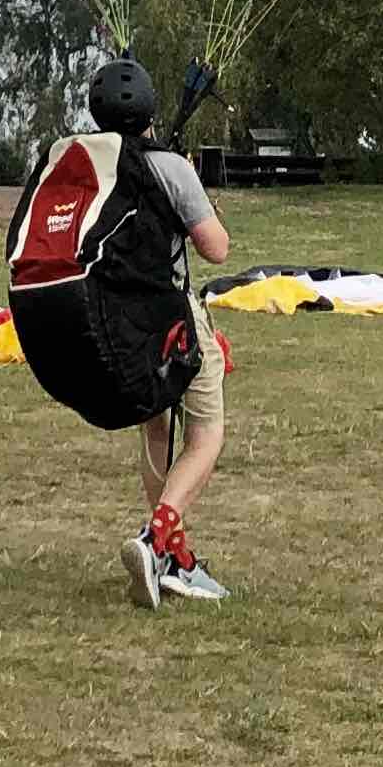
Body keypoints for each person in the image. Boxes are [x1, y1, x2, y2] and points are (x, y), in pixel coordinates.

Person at [83, 59, 234, 608]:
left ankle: (172, 557)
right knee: (205, 435)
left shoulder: (93, 165)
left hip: (122, 323)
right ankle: (157, 537)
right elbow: (216, 248)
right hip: (173, 318)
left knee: (155, 435)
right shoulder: (170, 167)